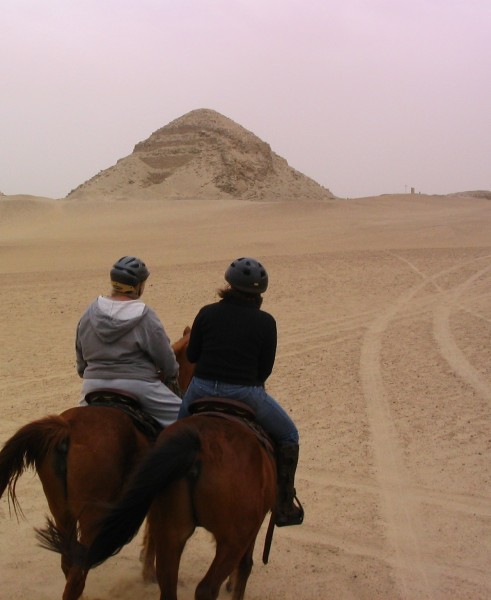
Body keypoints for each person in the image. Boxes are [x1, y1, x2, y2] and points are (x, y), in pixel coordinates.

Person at [178, 257, 304, 527]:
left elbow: (192, 354)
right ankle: (283, 504)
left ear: (228, 285)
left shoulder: (206, 312)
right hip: (246, 393)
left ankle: (160, 493)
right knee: (289, 434)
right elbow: (264, 370)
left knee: (172, 435)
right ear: (259, 294)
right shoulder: (266, 322)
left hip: (200, 388)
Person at [76, 255, 181, 428]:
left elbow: (80, 353)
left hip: (92, 386)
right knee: (187, 421)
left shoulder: (89, 312)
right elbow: (164, 355)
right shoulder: (145, 315)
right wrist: (171, 374)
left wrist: (87, 373)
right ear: (138, 285)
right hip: (138, 386)